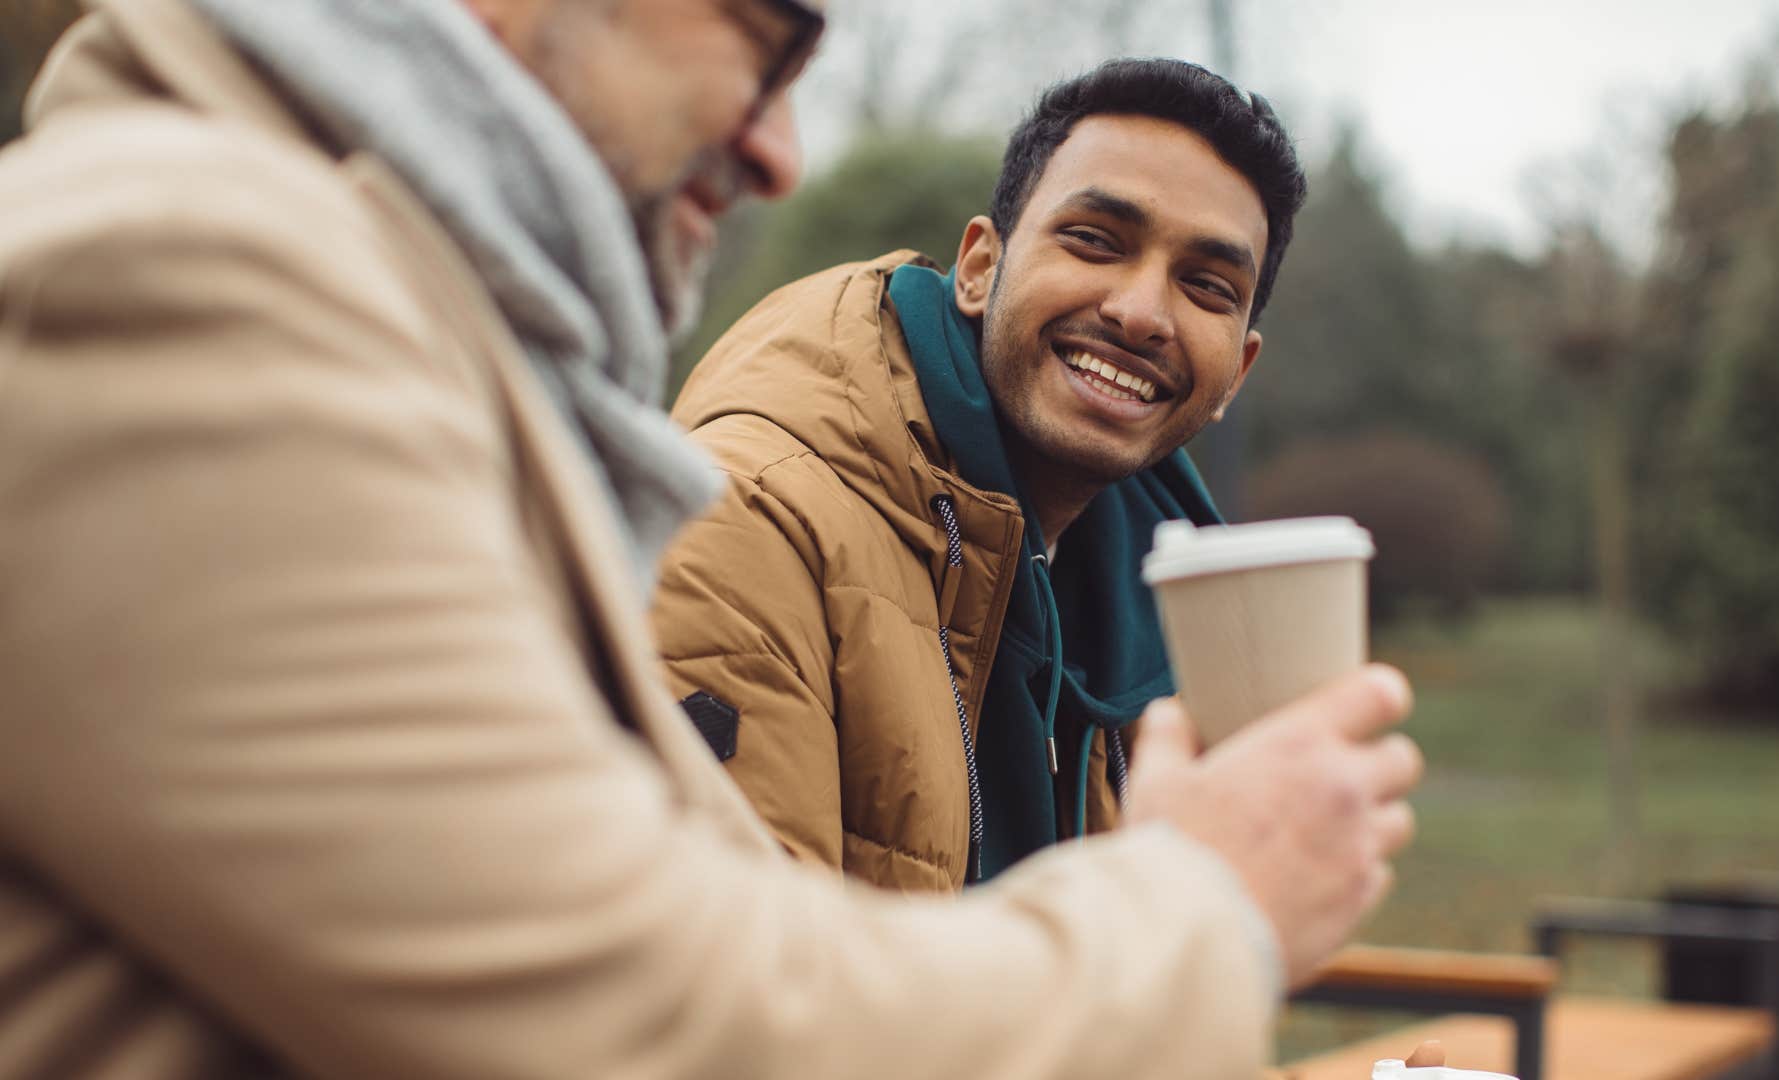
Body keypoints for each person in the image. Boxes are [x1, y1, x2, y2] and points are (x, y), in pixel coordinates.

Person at [0, 2, 1422, 1078]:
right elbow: (657, 1013)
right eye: (758, 37)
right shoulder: (185, 274)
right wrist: (1206, 907)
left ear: (1246, 360)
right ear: (983, 260)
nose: (779, 153)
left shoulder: (1126, 583)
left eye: (1205, 282)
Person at [654, 59, 1304, 889]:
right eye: (1096, 241)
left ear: (1236, 375)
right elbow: (738, 989)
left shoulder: (1163, 619)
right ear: (979, 268)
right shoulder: (745, 521)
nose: (1141, 313)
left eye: (1207, 287)